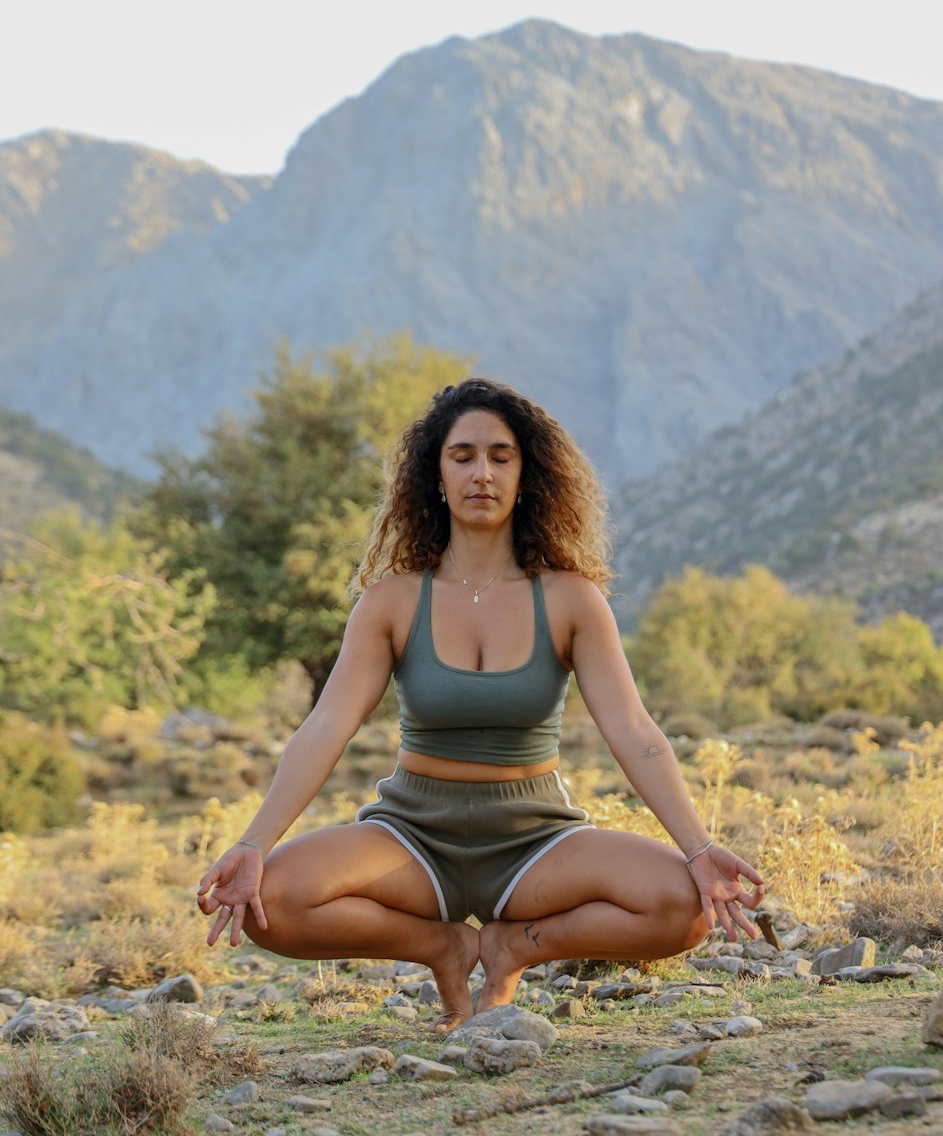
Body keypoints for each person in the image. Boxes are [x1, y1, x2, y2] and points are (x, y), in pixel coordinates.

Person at [196, 378, 764, 1030]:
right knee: (271, 899)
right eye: (462, 456)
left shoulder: (573, 600)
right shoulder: (393, 601)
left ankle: (508, 948)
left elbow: (633, 729)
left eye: (501, 456)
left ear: (528, 474)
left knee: (684, 909)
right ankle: (445, 947)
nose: (482, 473)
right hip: (412, 835)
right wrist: (253, 842)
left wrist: (698, 848)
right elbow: (326, 726)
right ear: (435, 475)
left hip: (533, 839)